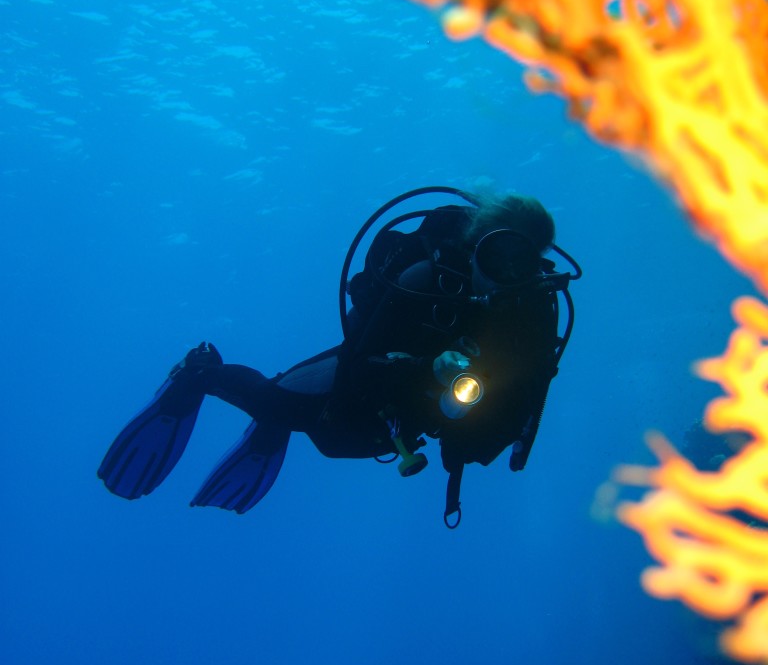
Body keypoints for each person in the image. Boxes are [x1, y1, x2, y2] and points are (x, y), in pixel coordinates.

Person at [98, 186, 581, 526]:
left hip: (405, 421)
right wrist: (423, 370)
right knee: (279, 405)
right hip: (364, 381)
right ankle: (199, 373)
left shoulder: (528, 321)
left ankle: (277, 421)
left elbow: (512, 419)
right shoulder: (427, 279)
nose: (505, 276)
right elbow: (358, 362)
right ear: (478, 243)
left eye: (522, 265)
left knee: (335, 442)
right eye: (499, 256)